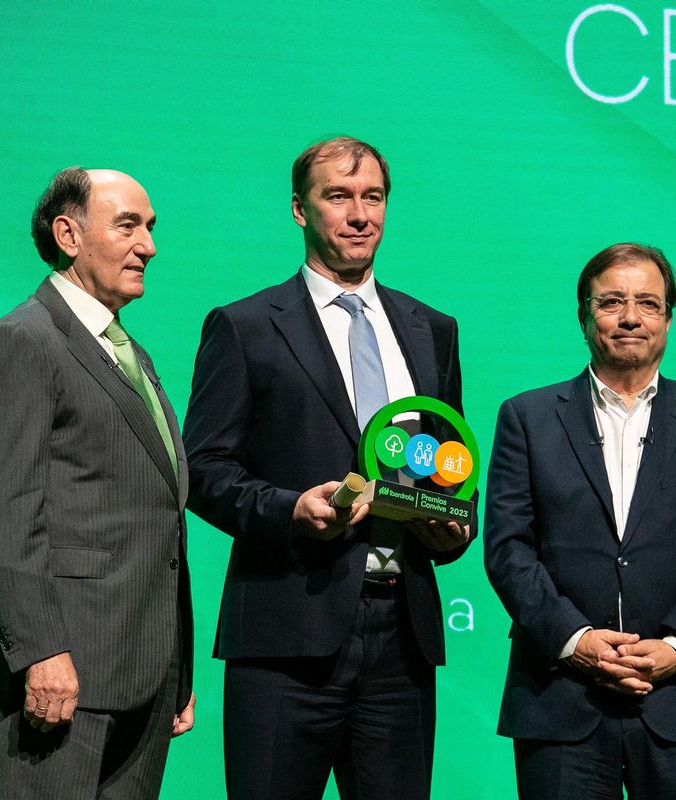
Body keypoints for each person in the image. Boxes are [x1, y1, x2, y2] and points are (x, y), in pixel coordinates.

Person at [183, 136, 472, 800]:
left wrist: (455, 523)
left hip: (403, 640)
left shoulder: (433, 329)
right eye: (338, 197)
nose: (359, 215)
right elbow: (202, 469)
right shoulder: (247, 325)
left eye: (372, 197)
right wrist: (290, 509)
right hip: (286, 639)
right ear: (299, 210)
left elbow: (450, 467)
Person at [484, 243, 676, 799]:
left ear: (667, 318)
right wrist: (576, 640)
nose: (630, 317)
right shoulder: (528, 418)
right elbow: (508, 547)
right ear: (584, 316)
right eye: (611, 302)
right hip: (561, 700)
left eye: (647, 303)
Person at [0, 167, 194, 799]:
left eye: (149, 228)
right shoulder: (24, 340)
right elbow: (3, 513)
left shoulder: (128, 352)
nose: (148, 245)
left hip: (141, 674)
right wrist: (40, 652)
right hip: (62, 674)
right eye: (128, 225)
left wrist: (176, 666)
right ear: (69, 234)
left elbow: (156, 514)